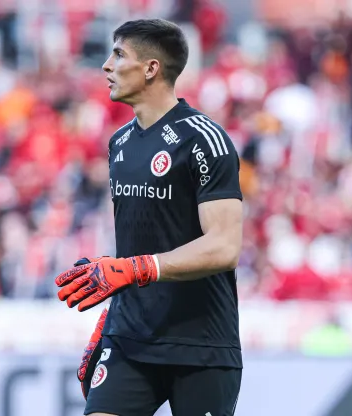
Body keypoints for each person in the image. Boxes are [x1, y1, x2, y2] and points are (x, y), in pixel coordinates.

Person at [54, 19, 244, 416]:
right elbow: (142, 242)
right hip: (130, 338)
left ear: (151, 68)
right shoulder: (119, 143)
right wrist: (113, 308)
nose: (106, 65)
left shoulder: (204, 140)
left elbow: (224, 246)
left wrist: (134, 269)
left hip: (201, 344)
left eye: (119, 54)